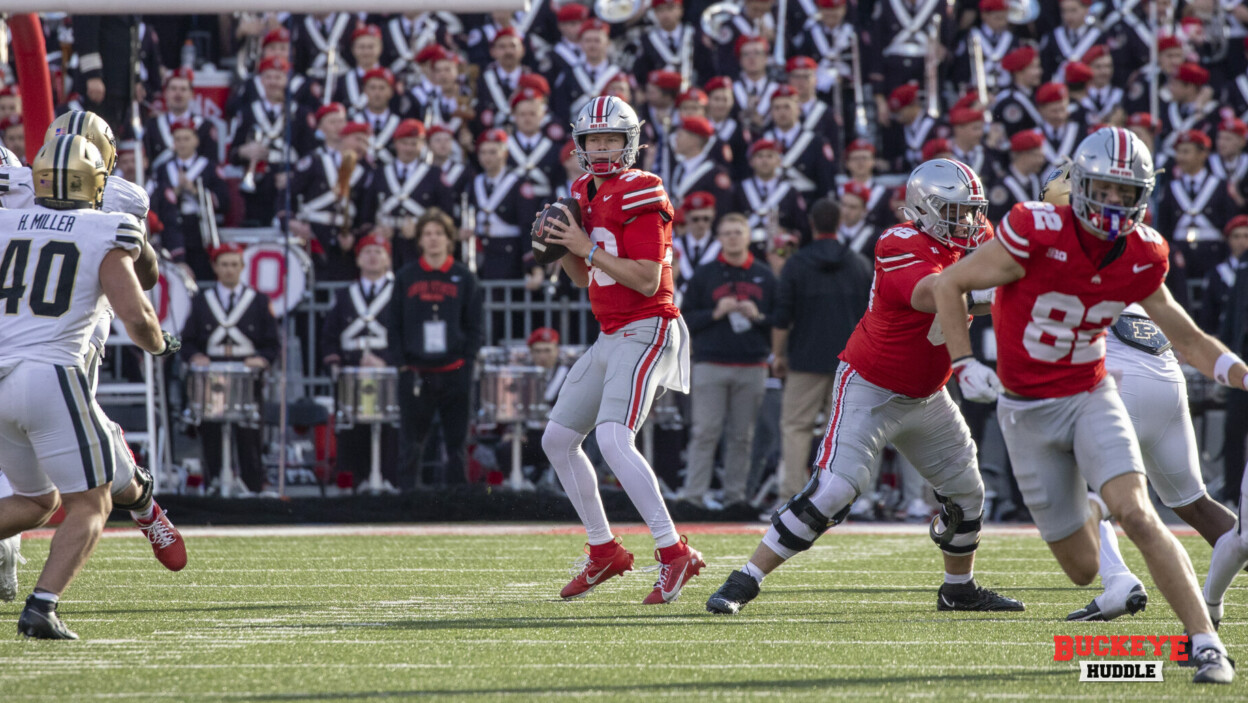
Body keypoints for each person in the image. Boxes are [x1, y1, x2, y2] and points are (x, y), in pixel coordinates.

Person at [931, 127, 1240, 684]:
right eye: (1106, 188)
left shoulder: (1144, 251)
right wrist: (963, 362)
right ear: (1081, 184)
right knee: (1081, 570)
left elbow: (1189, 339)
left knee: (1141, 514)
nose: (1116, 203)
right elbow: (949, 283)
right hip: (1026, 410)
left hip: (1091, 393)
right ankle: (1089, 511)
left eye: (1129, 192)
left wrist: (1239, 371)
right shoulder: (1034, 227)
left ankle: (1206, 644)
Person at [707, 161, 1024, 617]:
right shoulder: (899, 242)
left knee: (967, 492)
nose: (969, 223)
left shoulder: (975, 236)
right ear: (923, 209)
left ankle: (959, 589)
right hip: (871, 386)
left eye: (973, 211)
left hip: (928, 394)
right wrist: (1011, 287)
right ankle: (744, 579)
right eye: (956, 212)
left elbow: (997, 279)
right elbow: (935, 293)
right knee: (835, 490)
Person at [1037, 163, 1237, 621]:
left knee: (1086, 497)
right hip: (1166, 374)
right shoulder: (1129, 238)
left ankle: (1118, 582)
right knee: (1196, 504)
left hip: (1116, 376)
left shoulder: (1047, 241)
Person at [0, 135, 180, 638]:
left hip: (0, 373)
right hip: (52, 374)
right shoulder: (106, 227)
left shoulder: (4, 219)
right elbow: (137, 314)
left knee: (37, 501)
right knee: (91, 502)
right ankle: (42, 606)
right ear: (97, 180)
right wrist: (161, 345)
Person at [538, 96, 703, 604]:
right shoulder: (581, 191)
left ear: (630, 143)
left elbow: (646, 278)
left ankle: (675, 553)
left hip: (649, 324)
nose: (603, 148)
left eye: (611, 139)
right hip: (611, 332)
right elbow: (582, 275)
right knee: (558, 438)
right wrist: (561, 245)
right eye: (594, 140)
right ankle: (603, 549)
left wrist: (585, 245)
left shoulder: (642, 188)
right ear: (580, 145)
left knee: (612, 438)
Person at [769, 197, 873, 505]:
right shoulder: (859, 264)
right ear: (840, 223)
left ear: (812, 224)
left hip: (804, 361)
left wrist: (779, 355)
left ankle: (791, 495)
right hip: (850, 362)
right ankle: (846, 497)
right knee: (847, 432)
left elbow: (782, 317)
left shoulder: (796, 264)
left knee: (795, 427)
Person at [678, 213, 776, 510]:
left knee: (742, 436)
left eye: (738, 232)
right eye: (727, 233)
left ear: (747, 237)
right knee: (704, 431)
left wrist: (757, 316)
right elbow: (685, 320)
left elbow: (780, 321)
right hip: (710, 363)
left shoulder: (766, 275)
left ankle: (735, 498)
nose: (733, 237)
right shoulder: (705, 274)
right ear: (718, 238)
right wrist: (715, 313)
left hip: (752, 365)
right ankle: (693, 498)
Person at [388, 208, 483, 488]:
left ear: (449, 239)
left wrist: (468, 360)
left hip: (455, 370)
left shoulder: (464, 277)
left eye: (438, 234)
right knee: (411, 442)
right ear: (419, 240)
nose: (433, 239)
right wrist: (402, 363)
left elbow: (475, 325)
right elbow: (393, 324)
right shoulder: (406, 277)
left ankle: (457, 505)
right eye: (427, 234)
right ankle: (408, 504)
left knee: (456, 442)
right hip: (417, 372)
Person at [180, 243, 281, 495]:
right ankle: (214, 483)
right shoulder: (202, 301)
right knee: (211, 431)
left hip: (247, 375)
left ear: (242, 267)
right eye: (224, 264)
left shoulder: (258, 301)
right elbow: (188, 340)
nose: (229, 270)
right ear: (215, 267)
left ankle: (251, 487)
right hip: (212, 376)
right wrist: (195, 356)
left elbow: (273, 343)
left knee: (249, 433)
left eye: (234, 264)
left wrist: (262, 359)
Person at [322, 234, 399, 490]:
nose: (373, 256)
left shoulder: (399, 293)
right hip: (350, 372)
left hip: (387, 372)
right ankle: (354, 483)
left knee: (388, 427)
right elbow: (329, 335)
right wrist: (337, 362)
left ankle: (388, 481)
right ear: (358, 259)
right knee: (351, 430)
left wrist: (386, 361)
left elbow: (407, 334)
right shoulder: (344, 295)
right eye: (367, 251)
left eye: (379, 251)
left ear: (388, 258)